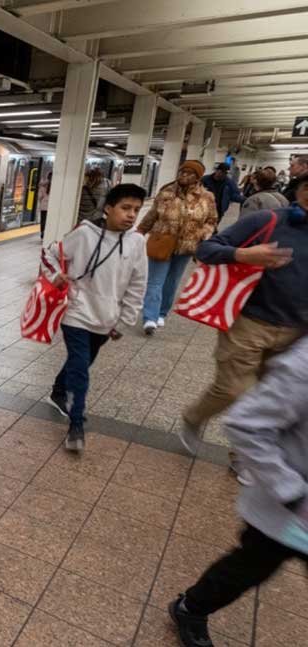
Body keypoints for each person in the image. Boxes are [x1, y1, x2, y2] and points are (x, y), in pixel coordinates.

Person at [169, 335, 308, 647]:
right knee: (249, 567)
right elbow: (246, 423)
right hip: (290, 509)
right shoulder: (303, 364)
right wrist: (290, 490)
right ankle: (191, 608)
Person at [182, 180, 308, 482]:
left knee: (272, 399)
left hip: (297, 333)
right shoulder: (269, 220)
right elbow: (206, 248)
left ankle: (244, 457)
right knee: (235, 389)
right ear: (302, 191)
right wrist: (243, 254)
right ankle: (193, 417)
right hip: (250, 322)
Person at [44, 184, 149, 451]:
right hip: (77, 312)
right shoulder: (84, 233)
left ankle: (58, 391)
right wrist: (56, 276)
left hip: (107, 318)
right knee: (80, 369)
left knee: (82, 362)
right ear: (108, 209)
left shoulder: (137, 242)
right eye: (125, 208)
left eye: (136, 210)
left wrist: (124, 321)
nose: (131, 215)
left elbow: (138, 284)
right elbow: (51, 253)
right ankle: (76, 425)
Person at [136, 160, 218, 336]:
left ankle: (162, 312)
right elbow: (152, 214)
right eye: (182, 172)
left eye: (190, 173)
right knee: (155, 281)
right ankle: (150, 318)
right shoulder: (166, 192)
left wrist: (202, 234)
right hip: (162, 241)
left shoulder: (207, 197)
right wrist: (140, 231)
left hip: (187, 245)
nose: (184, 175)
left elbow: (211, 220)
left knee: (172, 281)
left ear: (198, 177)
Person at [38, 172, 52, 240]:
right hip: (51, 207)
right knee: (48, 220)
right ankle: (47, 233)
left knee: (43, 220)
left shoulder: (43, 186)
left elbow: (40, 196)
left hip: (43, 206)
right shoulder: (55, 186)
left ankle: (42, 233)